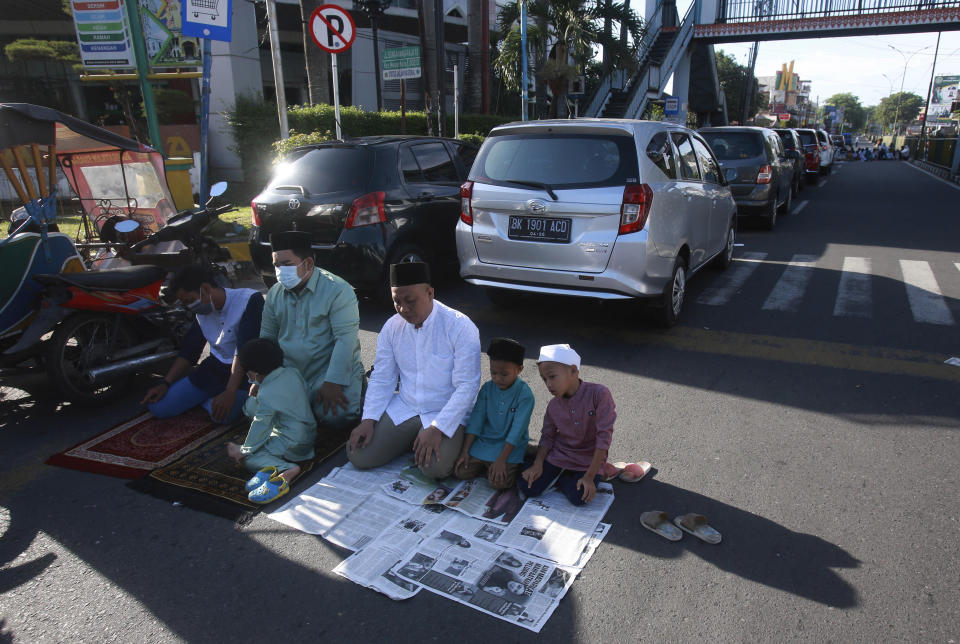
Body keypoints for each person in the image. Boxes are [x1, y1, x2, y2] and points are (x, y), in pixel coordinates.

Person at [347, 261, 481, 479]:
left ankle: (426, 439)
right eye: (396, 301)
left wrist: (438, 428)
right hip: (407, 406)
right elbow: (382, 378)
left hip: (443, 411)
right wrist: (368, 420)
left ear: (430, 293)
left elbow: (467, 386)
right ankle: (413, 438)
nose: (403, 309)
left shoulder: (460, 327)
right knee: (358, 454)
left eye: (410, 301)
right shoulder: (392, 327)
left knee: (434, 469)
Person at [260, 231, 365, 429]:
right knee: (255, 408)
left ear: (308, 263)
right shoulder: (274, 294)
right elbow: (267, 340)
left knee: (338, 418)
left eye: (287, 264)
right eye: (276, 265)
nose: (280, 271)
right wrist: (261, 378)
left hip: (326, 372)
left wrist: (333, 382)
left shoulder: (338, 290)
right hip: (291, 375)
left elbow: (345, 340)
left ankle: (355, 391)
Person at [141, 265, 263, 424]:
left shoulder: (249, 300)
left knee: (222, 416)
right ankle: (208, 399)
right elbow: (190, 349)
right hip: (214, 369)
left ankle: (211, 399)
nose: (190, 306)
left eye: (190, 300)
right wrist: (166, 382)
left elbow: (243, 350)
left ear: (205, 288)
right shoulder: (202, 312)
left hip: (244, 374)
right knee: (159, 407)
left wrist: (230, 392)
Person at [520, 344, 616, 506]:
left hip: (588, 459)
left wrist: (590, 476)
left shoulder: (599, 394)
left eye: (552, 377)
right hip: (560, 455)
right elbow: (547, 437)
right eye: (544, 379)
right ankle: (551, 471)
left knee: (580, 497)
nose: (548, 384)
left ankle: (563, 478)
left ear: (573, 371)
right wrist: (537, 465)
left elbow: (604, 438)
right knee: (527, 486)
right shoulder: (553, 406)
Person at [227, 338, 317, 504]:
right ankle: (270, 465)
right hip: (307, 431)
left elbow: (262, 424)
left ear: (252, 374)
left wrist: (245, 451)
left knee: (252, 457)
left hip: (293, 442)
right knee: (253, 404)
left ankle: (287, 469)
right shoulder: (292, 372)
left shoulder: (267, 393)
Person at [454, 338, 534, 490]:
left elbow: (517, 431)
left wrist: (501, 460)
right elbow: (476, 420)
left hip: (508, 446)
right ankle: (488, 466)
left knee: (499, 483)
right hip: (485, 442)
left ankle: (525, 454)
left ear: (519, 370)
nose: (497, 378)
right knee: (460, 472)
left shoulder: (525, 395)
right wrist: (465, 451)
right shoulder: (487, 388)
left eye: (504, 374)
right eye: (493, 372)